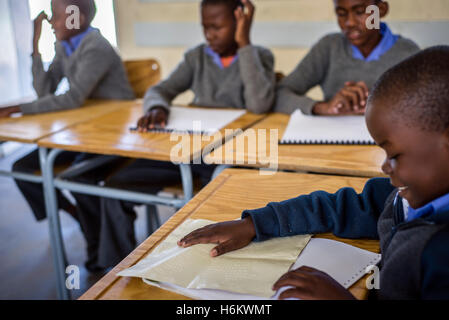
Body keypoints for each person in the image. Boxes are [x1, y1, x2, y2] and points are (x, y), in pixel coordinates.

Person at [178, 46, 449, 300]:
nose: (384, 167)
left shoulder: (439, 254)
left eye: (395, 155)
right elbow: (338, 207)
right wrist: (255, 223)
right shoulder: (403, 197)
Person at [75, 0, 276, 270]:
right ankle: (118, 270)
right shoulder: (197, 57)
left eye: (217, 27)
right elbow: (161, 89)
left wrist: (244, 42)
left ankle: (201, 268)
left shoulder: (258, 55)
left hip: (228, 155)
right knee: (115, 187)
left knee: (216, 202)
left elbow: (259, 104)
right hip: (188, 149)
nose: (209, 35)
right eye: (205, 27)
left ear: (241, 21)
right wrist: (157, 107)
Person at [6, 0, 134, 270]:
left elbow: (73, 97)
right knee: (22, 168)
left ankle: (96, 241)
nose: (52, 22)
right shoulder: (65, 46)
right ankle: (78, 214)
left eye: (57, 16)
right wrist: (35, 46)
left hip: (114, 134)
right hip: (85, 131)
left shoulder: (96, 46)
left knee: (78, 175)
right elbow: (45, 92)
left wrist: (17, 107)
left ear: (80, 17)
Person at [275, 0, 420, 116]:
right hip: (334, 146)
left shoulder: (407, 53)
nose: (349, 23)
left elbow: (426, 108)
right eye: (341, 13)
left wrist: (383, 106)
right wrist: (325, 108)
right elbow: (280, 94)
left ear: (381, 9)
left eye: (359, 11)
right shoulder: (329, 47)